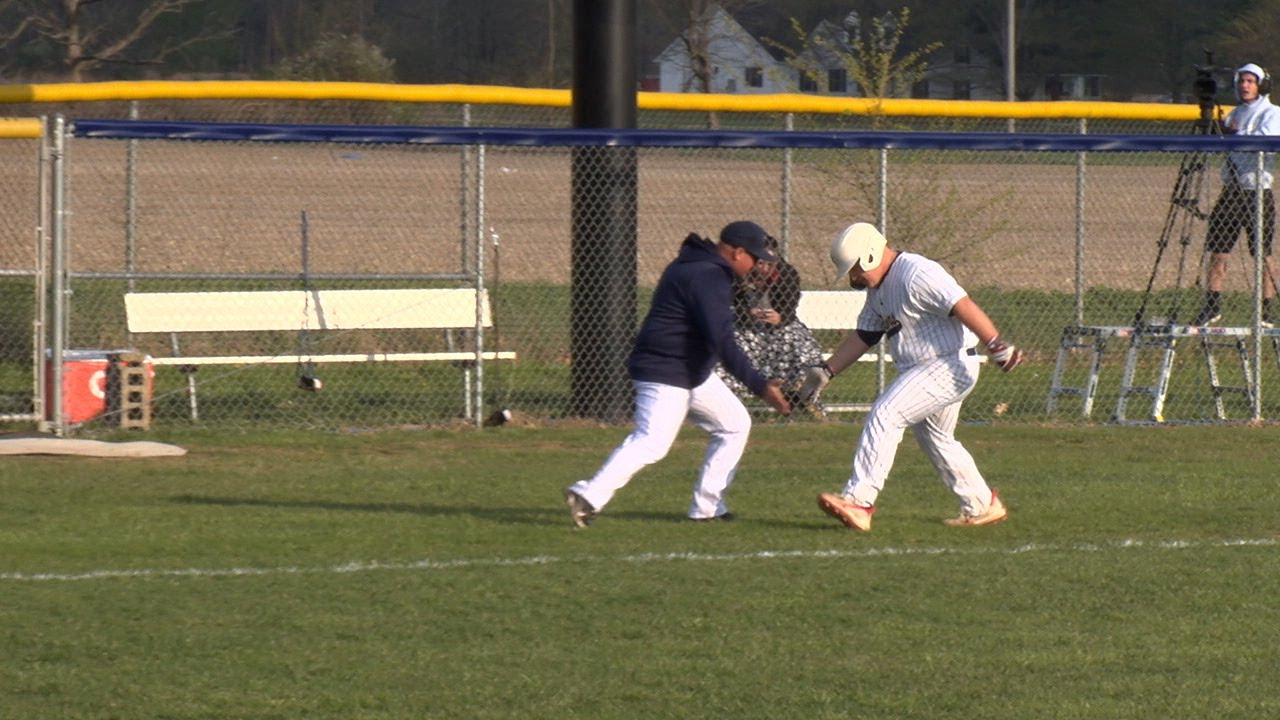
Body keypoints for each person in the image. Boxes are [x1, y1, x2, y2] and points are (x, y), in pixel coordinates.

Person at [795, 222, 1024, 531]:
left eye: (855, 268)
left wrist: (995, 343)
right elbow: (865, 334)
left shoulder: (916, 272)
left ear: (872, 255)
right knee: (937, 438)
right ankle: (982, 504)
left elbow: (962, 304)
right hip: (928, 368)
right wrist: (827, 370)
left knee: (886, 414)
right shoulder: (879, 289)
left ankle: (859, 501)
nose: (854, 277)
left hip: (947, 364)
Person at [564, 221, 792, 527]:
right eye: (755, 257)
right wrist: (761, 387)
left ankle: (707, 508)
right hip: (666, 370)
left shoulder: (699, 265)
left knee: (734, 424)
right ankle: (588, 495)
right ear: (737, 252)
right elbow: (722, 342)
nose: (757, 265)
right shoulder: (708, 276)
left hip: (689, 371)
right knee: (652, 442)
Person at [1194, 63, 1280, 327]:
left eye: (1250, 81)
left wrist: (1232, 134)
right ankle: (1212, 305)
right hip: (1231, 192)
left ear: (1261, 84)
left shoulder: (1272, 112)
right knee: (1218, 251)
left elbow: (1265, 141)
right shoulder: (1234, 114)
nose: (1245, 86)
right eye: (1242, 81)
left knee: (1262, 254)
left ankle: (1265, 310)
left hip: (1257, 192)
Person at [716, 234, 826, 410]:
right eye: (761, 263)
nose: (765, 268)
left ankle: (804, 393)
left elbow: (790, 307)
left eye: (770, 263)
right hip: (743, 328)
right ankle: (730, 402)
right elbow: (725, 305)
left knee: (798, 343)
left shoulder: (787, 274)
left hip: (779, 327)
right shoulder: (738, 273)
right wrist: (747, 313)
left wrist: (780, 317)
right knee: (730, 347)